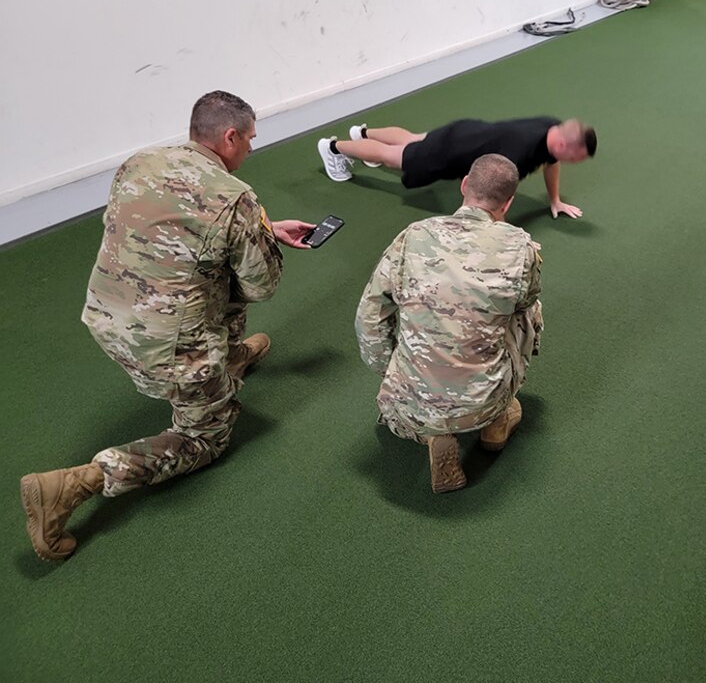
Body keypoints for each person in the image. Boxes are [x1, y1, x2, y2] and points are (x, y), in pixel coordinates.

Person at [19, 91, 315, 561]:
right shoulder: (234, 197)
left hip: (108, 318)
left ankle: (227, 360)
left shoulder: (144, 161)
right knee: (205, 439)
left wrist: (263, 228)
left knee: (215, 279)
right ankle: (74, 484)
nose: (253, 149)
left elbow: (166, 232)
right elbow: (262, 285)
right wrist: (262, 238)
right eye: (250, 139)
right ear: (230, 137)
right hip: (168, 349)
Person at [356, 153, 543, 493]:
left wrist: (390, 369)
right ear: (508, 202)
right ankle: (496, 421)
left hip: (410, 400)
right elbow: (525, 302)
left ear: (464, 186)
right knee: (528, 310)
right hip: (483, 398)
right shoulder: (520, 247)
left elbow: (370, 313)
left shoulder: (414, 235)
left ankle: (435, 433)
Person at [317, 116, 595, 218]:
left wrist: (555, 200)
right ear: (562, 144)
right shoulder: (518, 154)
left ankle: (362, 133)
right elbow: (494, 198)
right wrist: (509, 240)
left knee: (414, 139)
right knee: (395, 156)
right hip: (453, 150)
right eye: (575, 158)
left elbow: (552, 163)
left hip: (466, 131)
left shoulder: (552, 127)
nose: (572, 163)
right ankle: (334, 148)